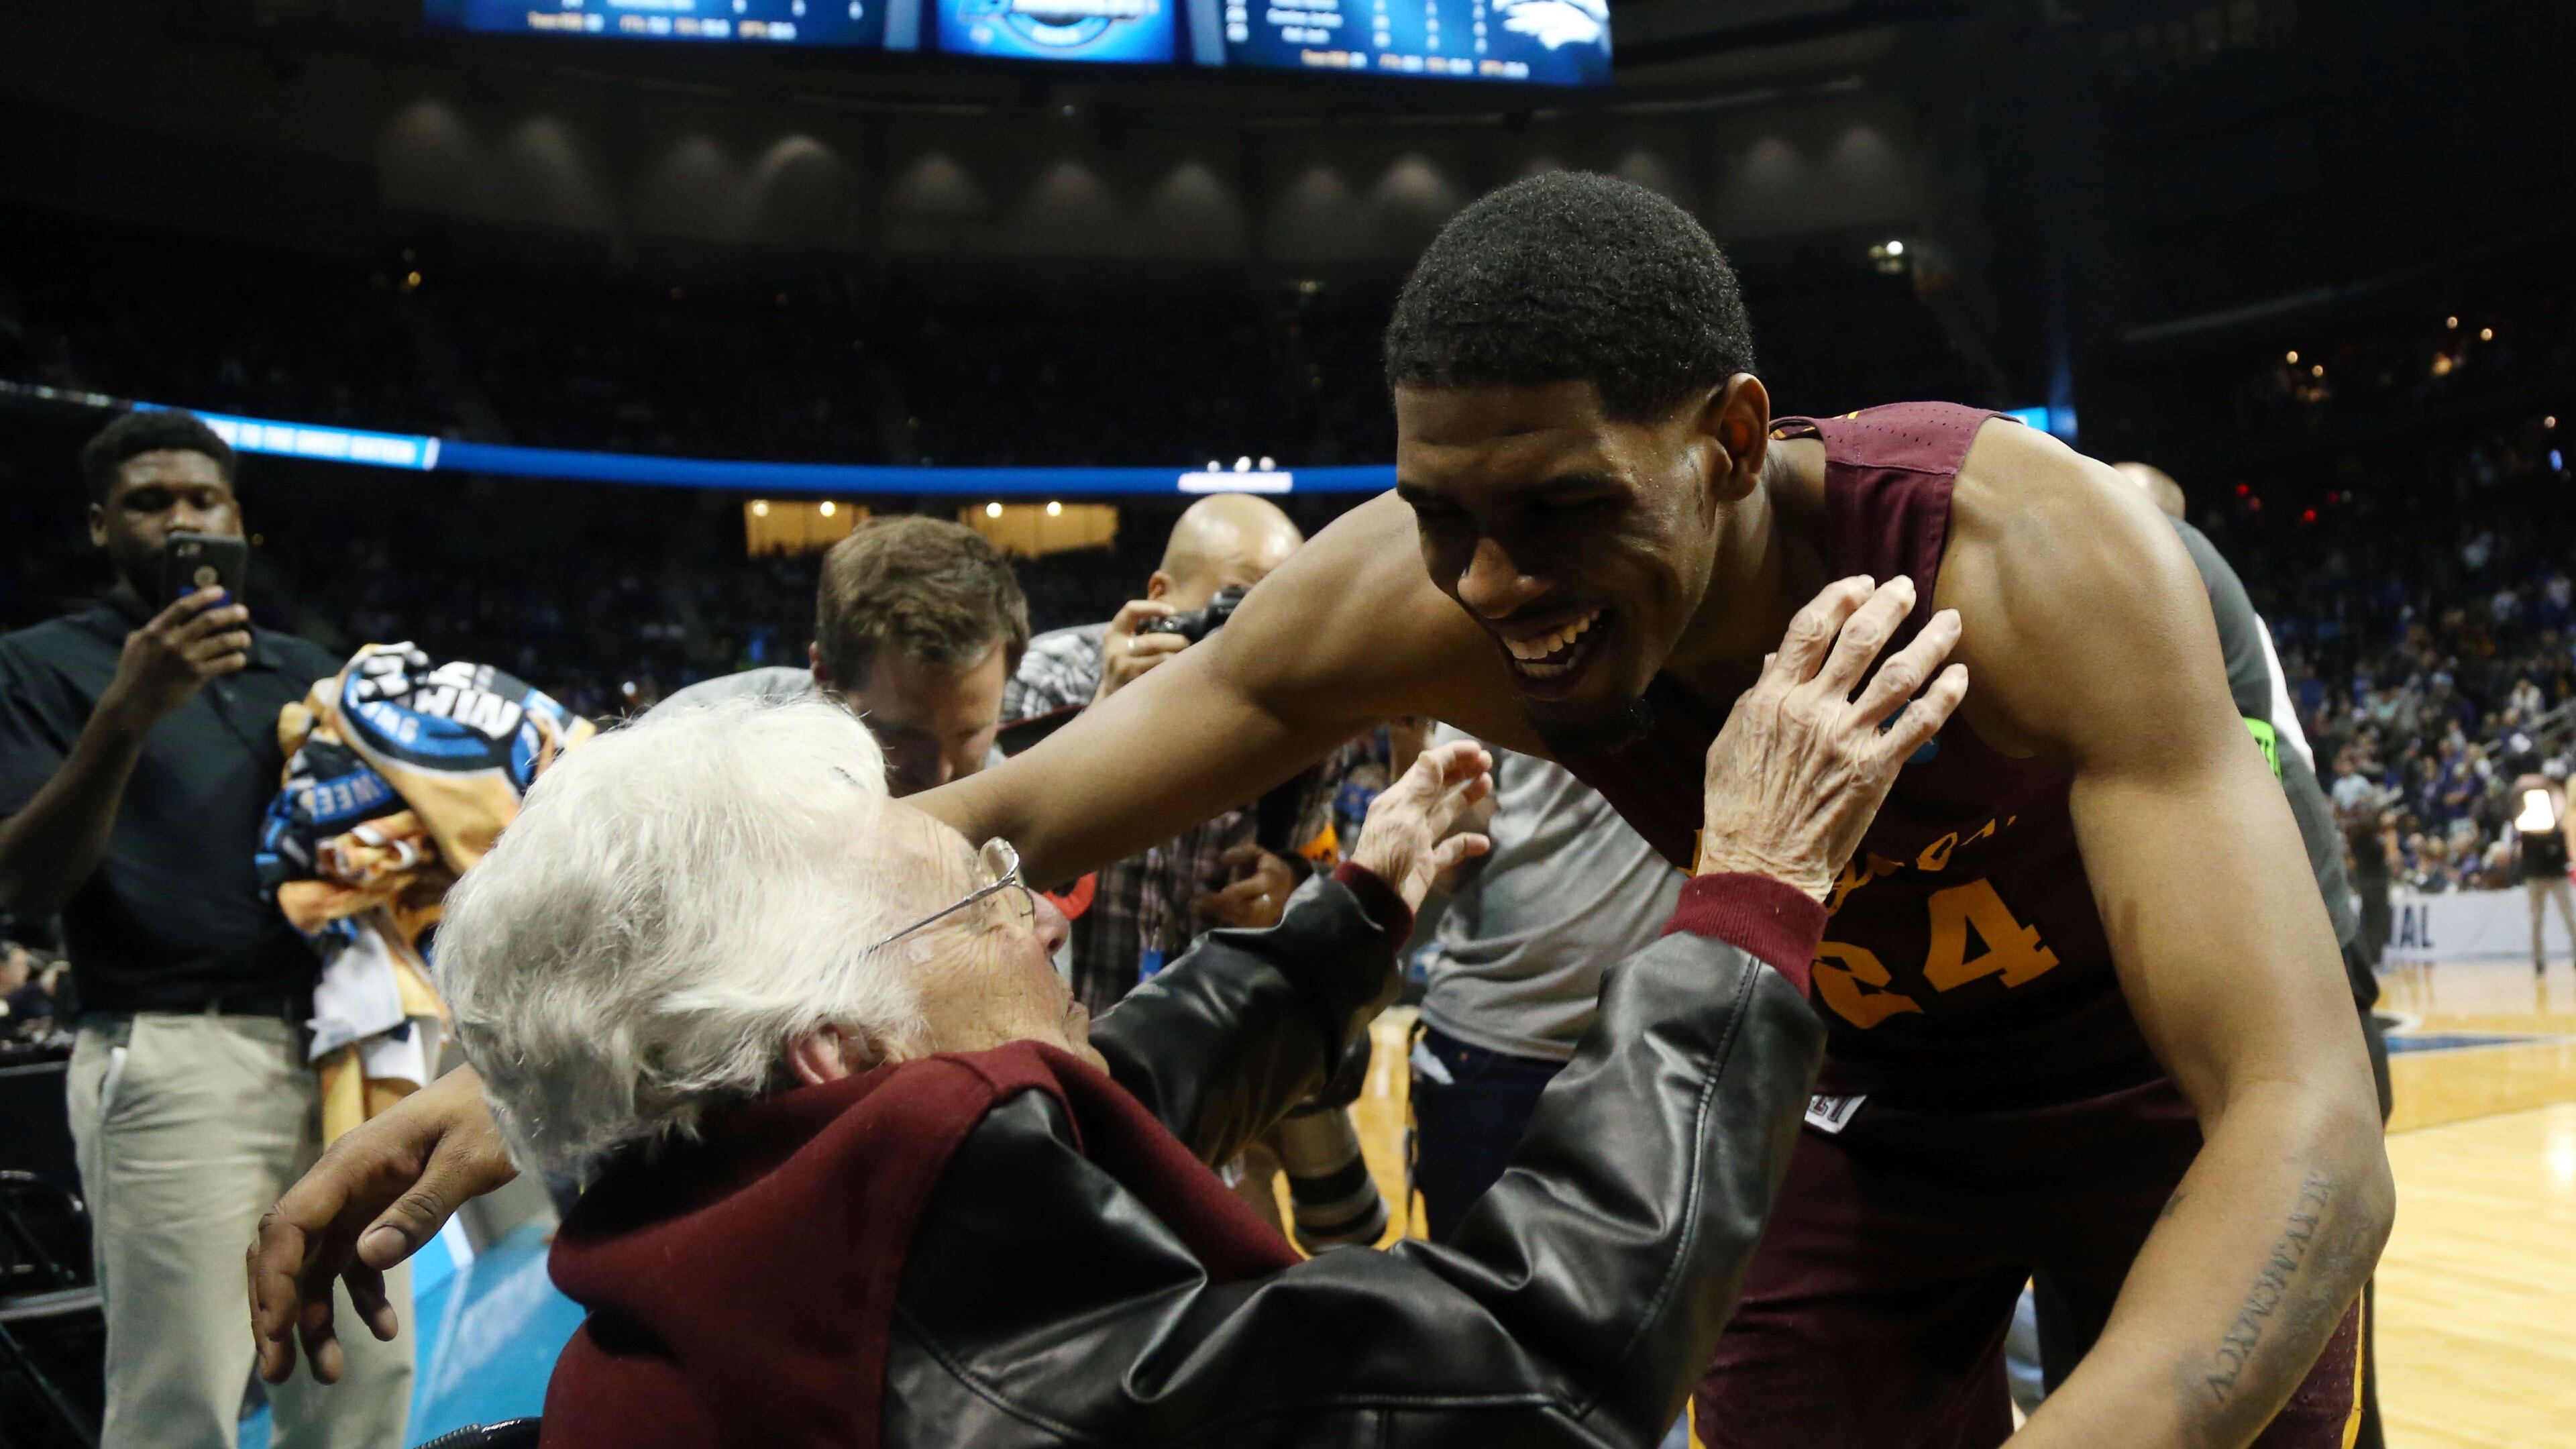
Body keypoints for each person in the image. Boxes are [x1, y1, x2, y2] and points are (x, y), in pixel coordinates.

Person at [255, 172, 2392, 1449]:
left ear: (1733, 436)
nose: (1501, 597)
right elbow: (978, 821)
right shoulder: (1416, 588)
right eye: (1447, 516)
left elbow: (2299, 1120)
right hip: (1860, 1107)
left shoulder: (2032, 562)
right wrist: (568, 1074)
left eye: (1560, 513)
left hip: (2156, 1106)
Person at [267, 576, 1964, 1448]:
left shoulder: (760, 1197)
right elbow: (1524, 1370)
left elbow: (1083, 1092)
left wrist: (1355, 910)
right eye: (971, 890)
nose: (1030, 899)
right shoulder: (941, 1329)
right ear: (829, 1051)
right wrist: (1749, 889)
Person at [0, 410, 411, 1448]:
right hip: (176, 1048)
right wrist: (128, 713)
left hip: (340, 1052)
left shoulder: (306, 667)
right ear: (101, 526)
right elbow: (25, 883)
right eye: (148, 503)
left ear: (239, 521)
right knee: (183, 1395)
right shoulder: (38, 667)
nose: (179, 519)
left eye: (202, 499)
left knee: (362, 1378)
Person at [1004, 492, 1391, 1246]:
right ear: (1159, 599)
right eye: (1238, 600)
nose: (1264, 626)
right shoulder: (1052, 677)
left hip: (1204, 1093)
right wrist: (1108, 715)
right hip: (1060, 1088)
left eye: (1285, 601)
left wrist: (1286, 887)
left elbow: (1314, 857)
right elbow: (990, 870)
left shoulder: (1304, 709)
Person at [1405, 728, 1684, 1243]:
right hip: (1491, 1039)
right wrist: (1409, 734)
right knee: (1469, 1303)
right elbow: (1450, 864)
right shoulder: (1484, 657)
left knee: (1632, 1303)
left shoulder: (1711, 662)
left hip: (1648, 1051)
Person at [664, 515, 1028, 796]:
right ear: (824, 675)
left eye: (969, 733)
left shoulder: (1011, 802)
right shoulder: (679, 758)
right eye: (901, 733)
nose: (940, 774)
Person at [2506, 758, 2576, 977]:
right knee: (2537, 920)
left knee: (2568, 917)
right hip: (2537, 873)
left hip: (2555, 872)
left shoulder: (2562, 802)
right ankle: (2538, 961)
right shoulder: (2530, 803)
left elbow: (2561, 834)